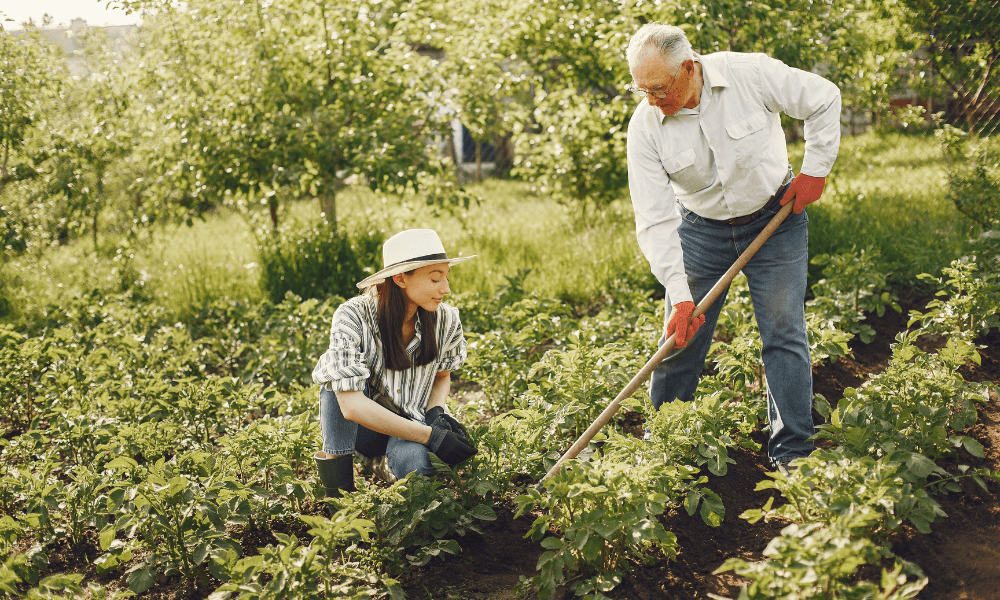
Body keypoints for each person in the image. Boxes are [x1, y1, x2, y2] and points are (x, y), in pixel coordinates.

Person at [624, 23, 841, 472]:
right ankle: (663, 447)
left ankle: (793, 453)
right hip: (700, 230)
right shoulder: (645, 126)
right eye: (641, 90)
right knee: (681, 337)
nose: (651, 100)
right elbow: (655, 218)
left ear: (689, 68)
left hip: (775, 217)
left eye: (659, 88)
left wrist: (815, 169)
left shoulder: (749, 74)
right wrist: (680, 295)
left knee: (783, 331)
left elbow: (823, 97)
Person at [311, 228, 478, 498]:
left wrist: (435, 414)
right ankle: (338, 497)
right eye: (435, 279)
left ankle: (385, 466)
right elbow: (351, 406)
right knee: (334, 384)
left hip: (412, 422)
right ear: (400, 278)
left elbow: (441, 376)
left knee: (417, 467)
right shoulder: (354, 316)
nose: (446, 289)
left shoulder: (446, 319)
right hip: (364, 429)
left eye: (446, 277)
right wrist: (430, 437)